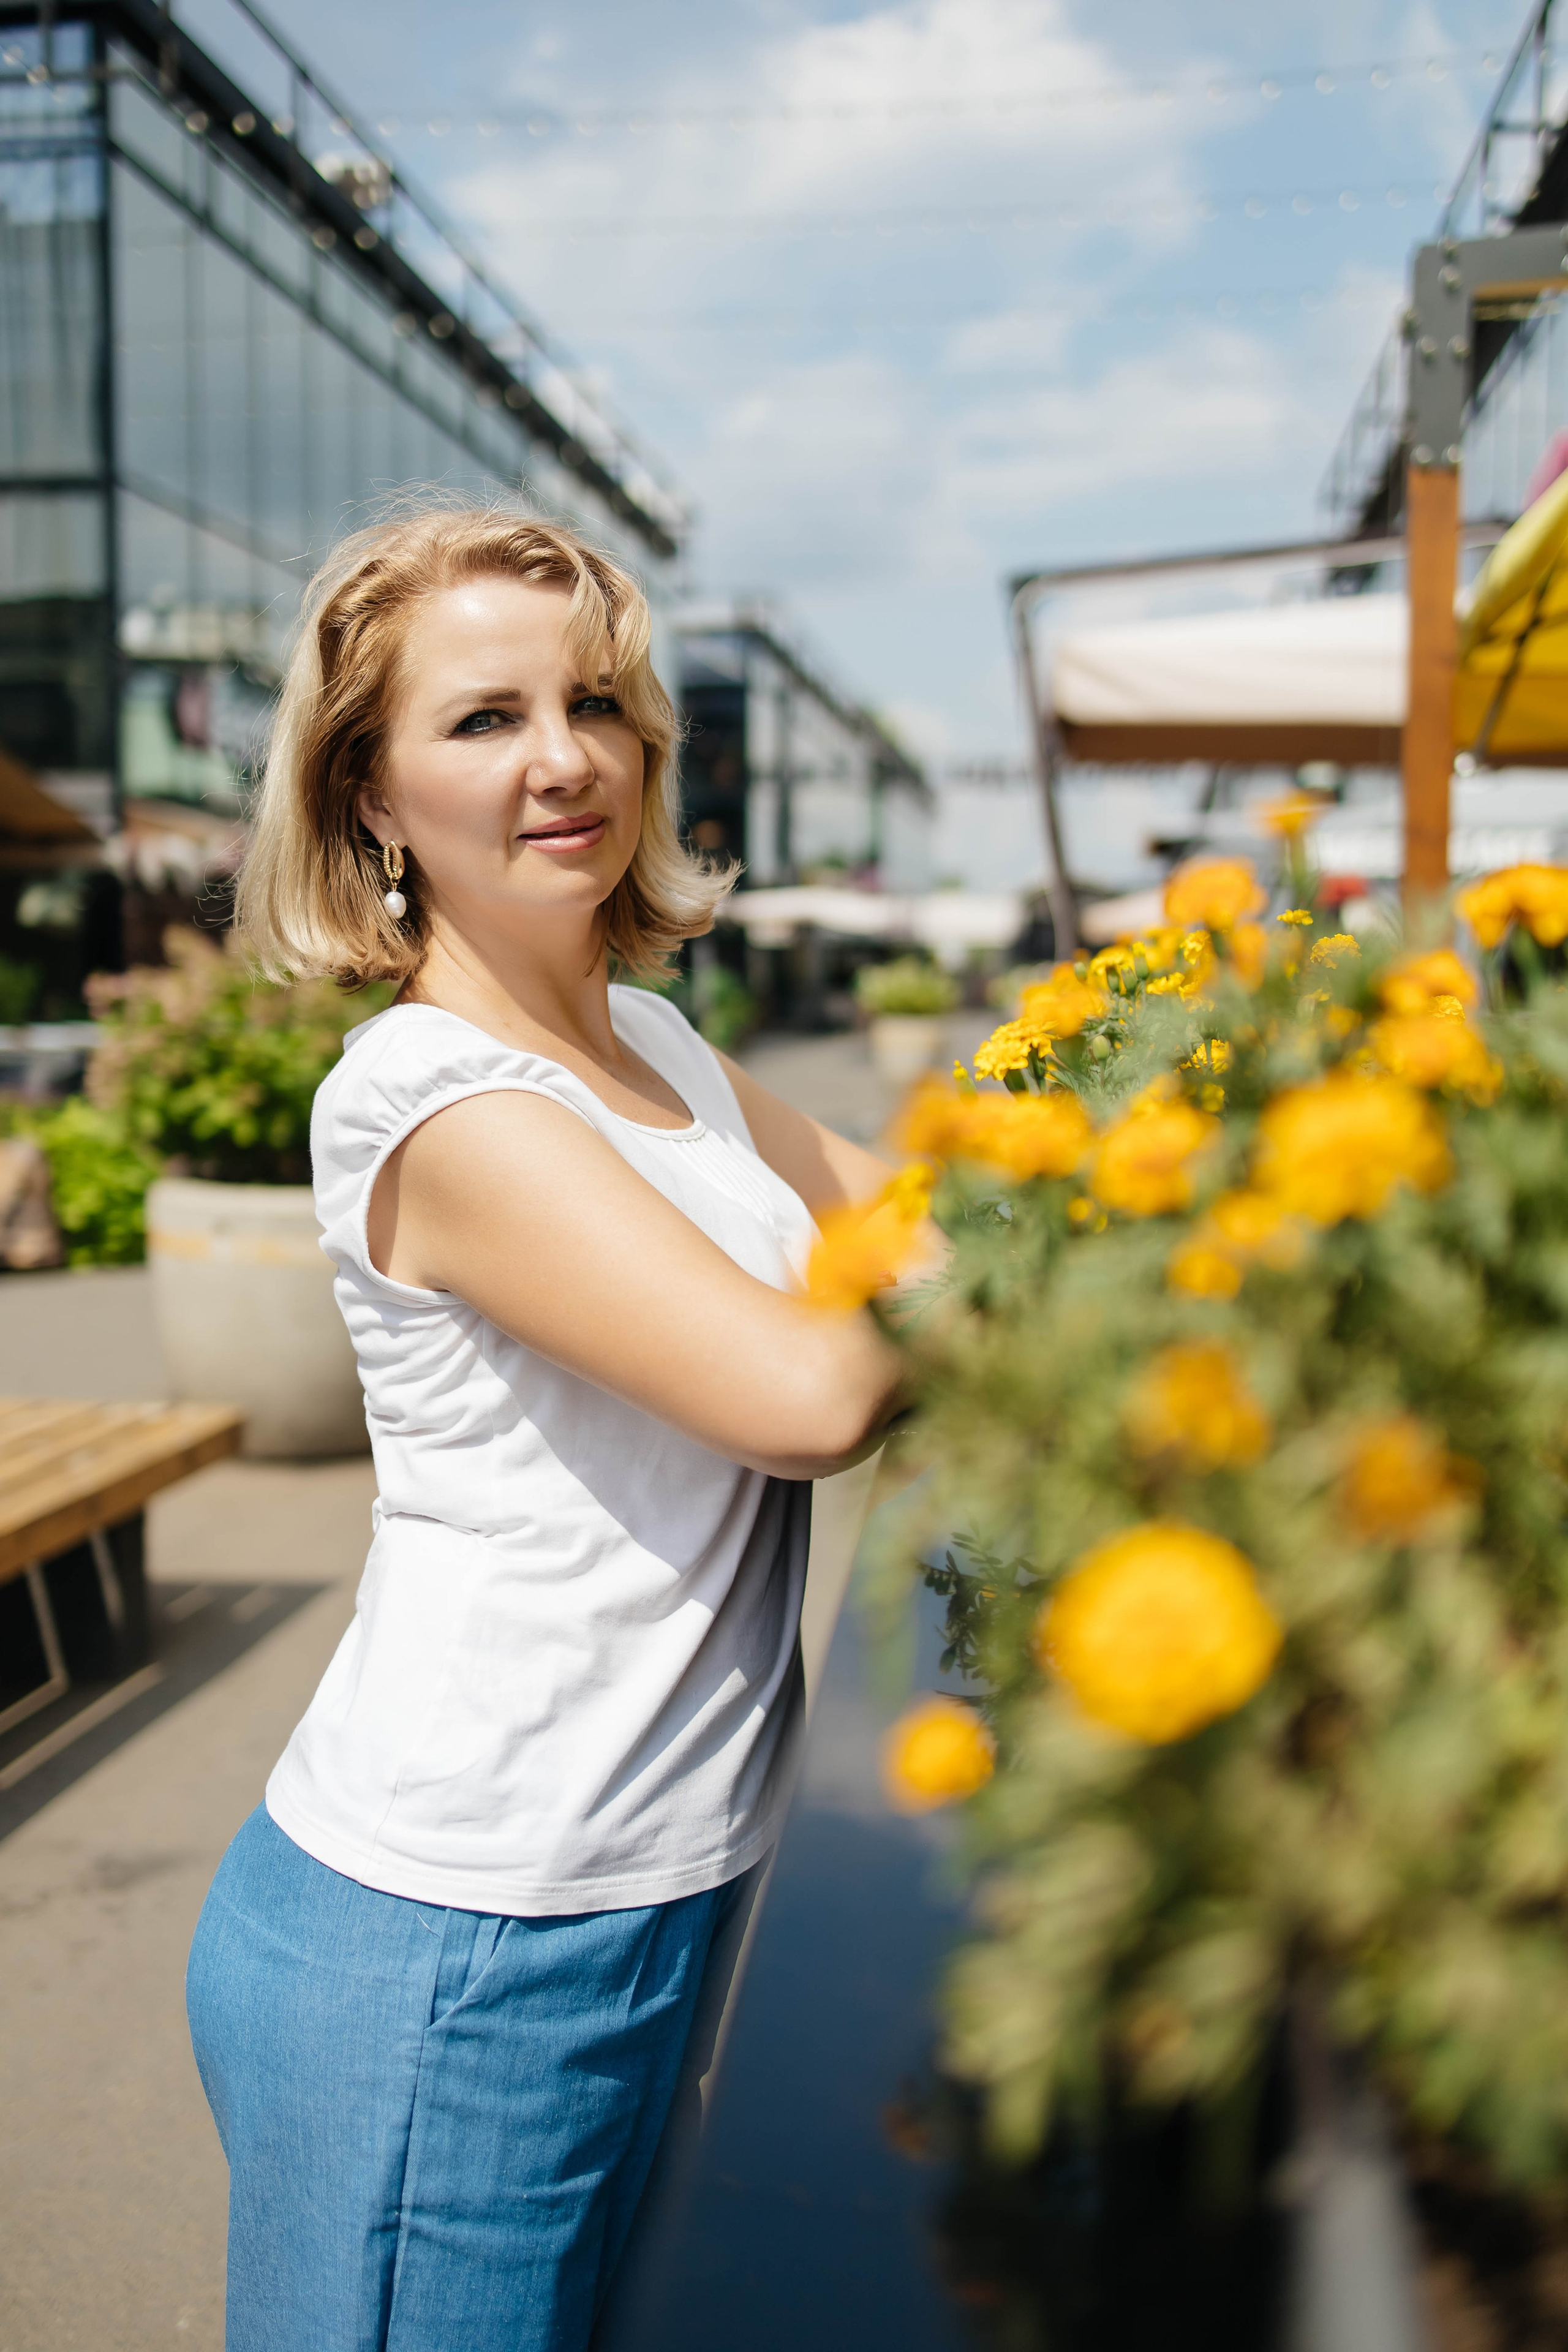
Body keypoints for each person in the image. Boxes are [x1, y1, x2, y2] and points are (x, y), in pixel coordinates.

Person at [184, 506, 907, 2352]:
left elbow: (910, 1217)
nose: (565, 758)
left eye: (594, 701)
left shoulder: (655, 1039)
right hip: (457, 1941)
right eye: (484, 720)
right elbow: (814, 1394)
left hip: (653, 1886)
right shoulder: (432, 1099)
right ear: (369, 796)